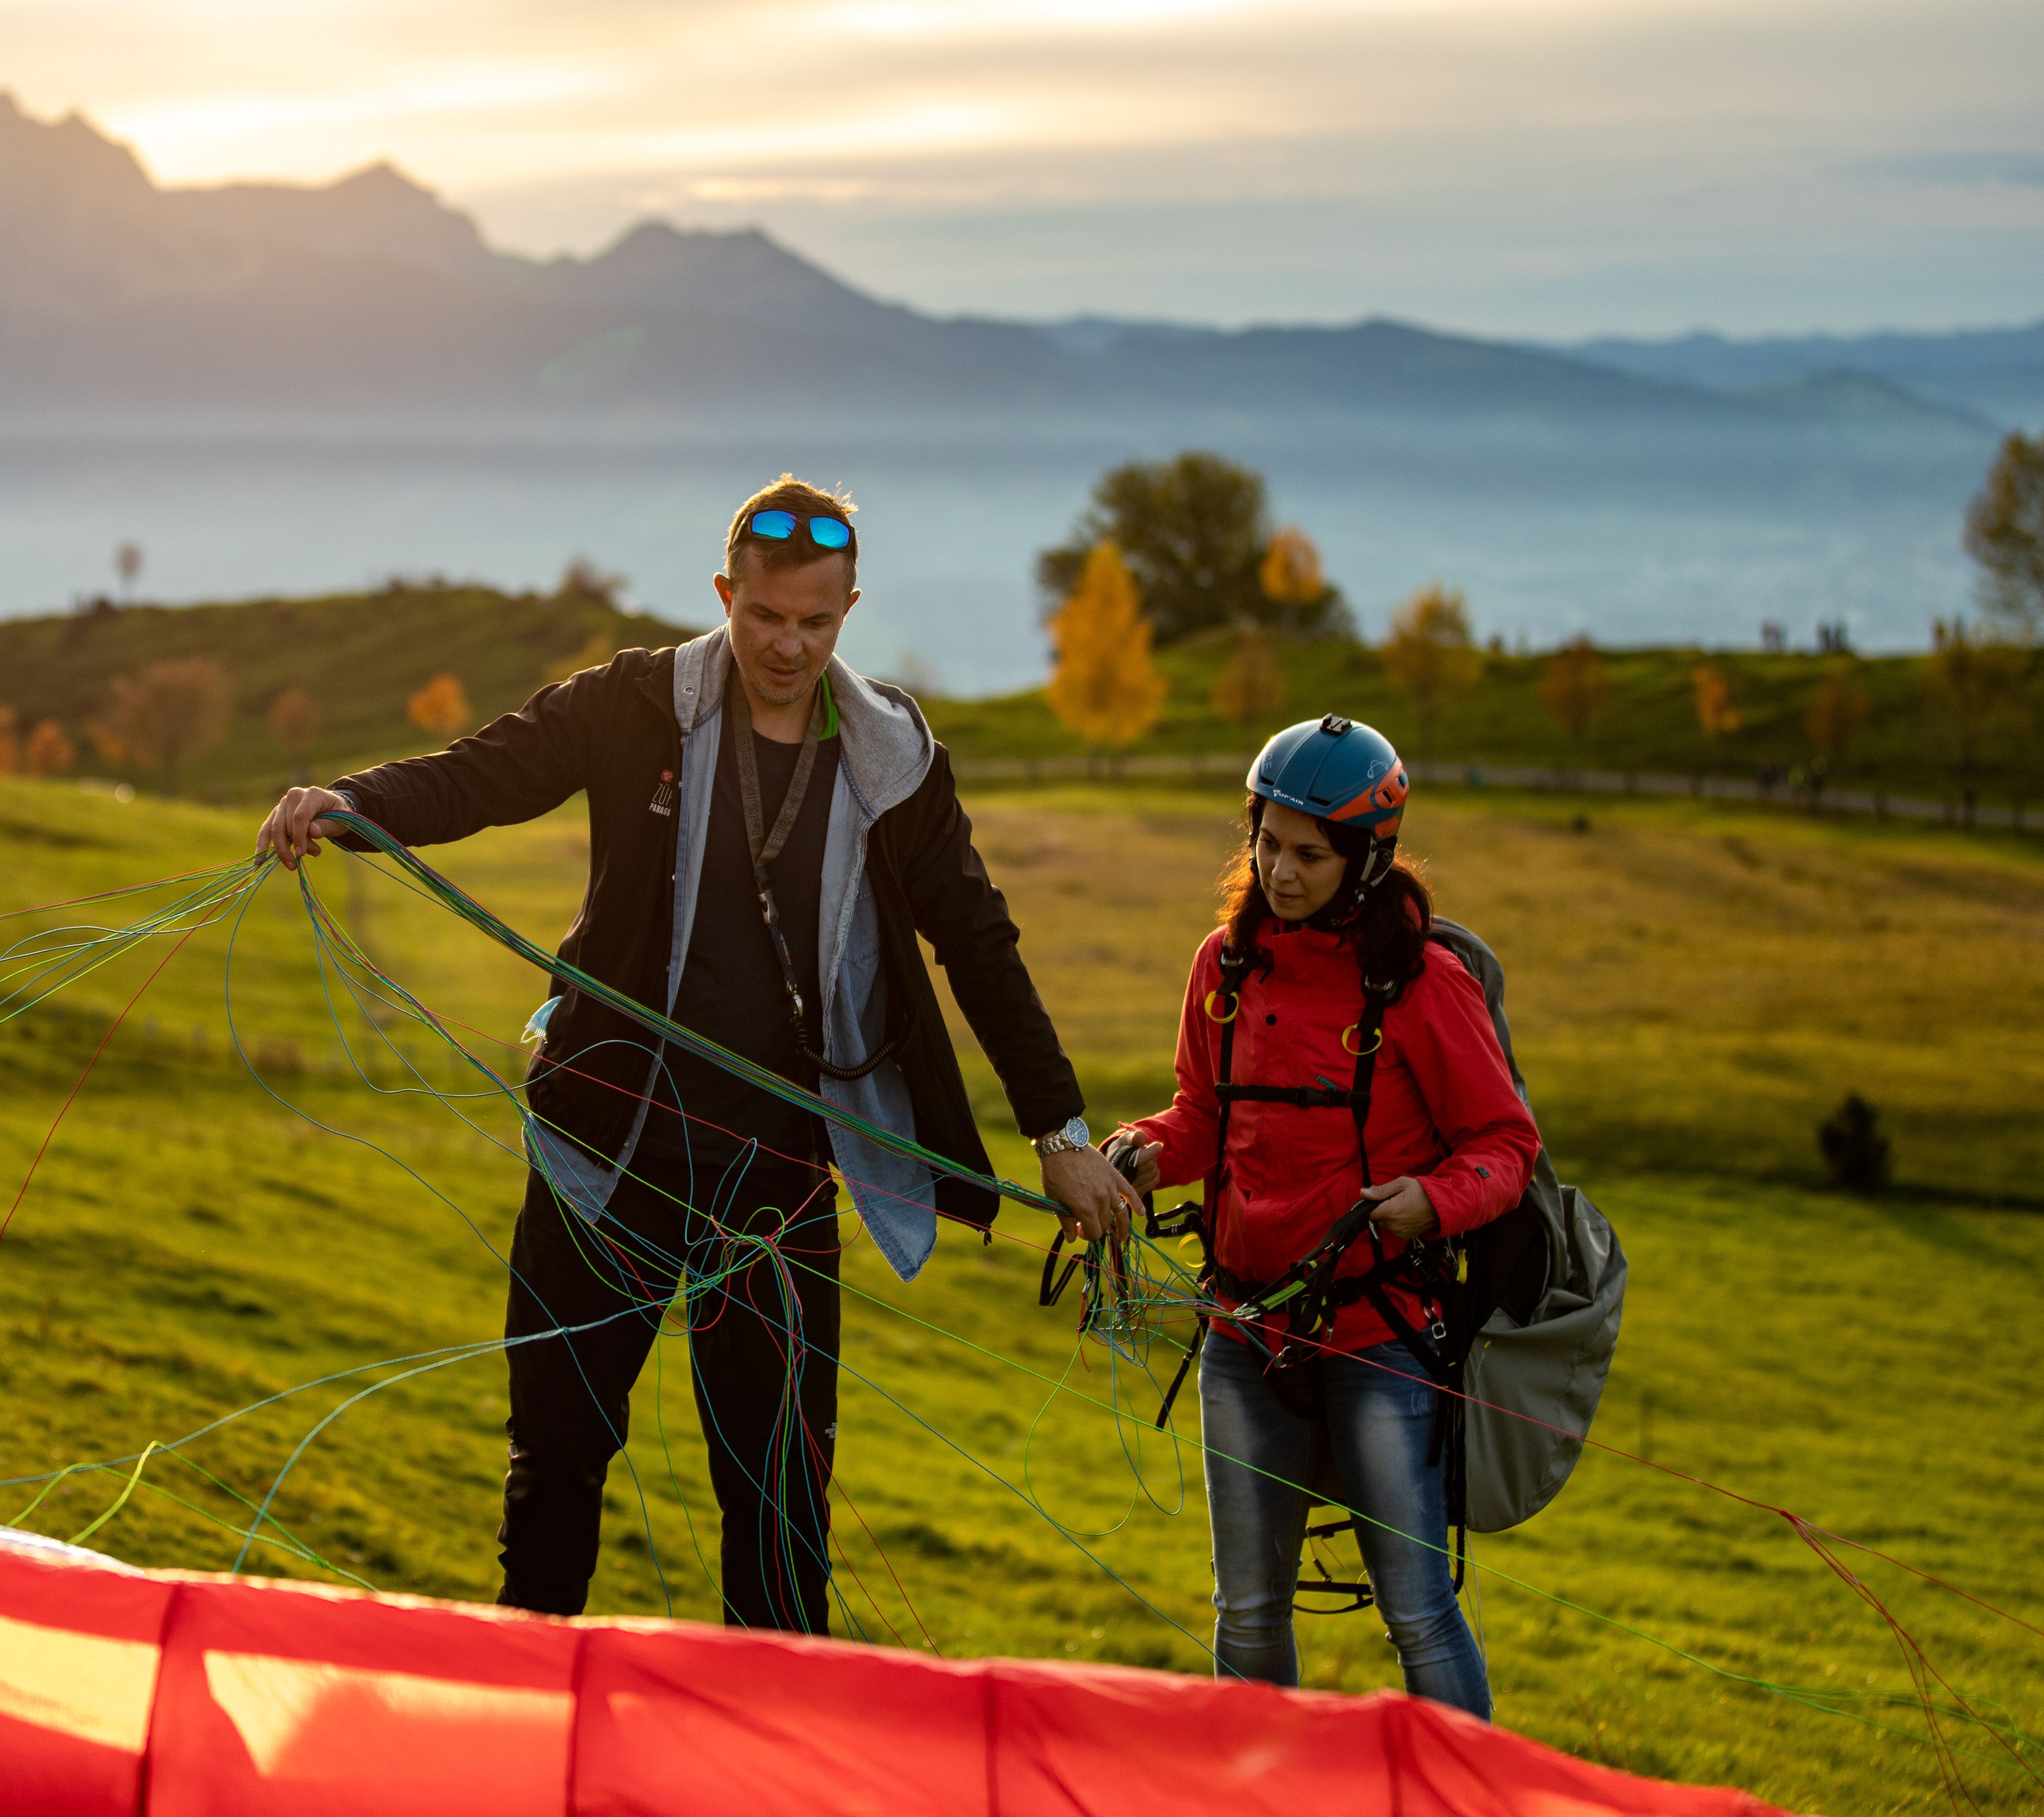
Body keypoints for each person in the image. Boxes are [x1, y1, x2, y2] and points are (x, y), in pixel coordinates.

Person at [255, 475, 1139, 1632]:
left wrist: (1062, 1136)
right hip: (601, 1152)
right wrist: (353, 802)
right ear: (726, 594)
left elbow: (977, 939)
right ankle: (536, 1719)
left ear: (850, 610)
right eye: (765, 616)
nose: (787, 645)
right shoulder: (634, 703)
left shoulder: (894, 757)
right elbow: (494, 769)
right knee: (556, 1463)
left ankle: (764, 1764)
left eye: (816, 624)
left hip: (774, 1183)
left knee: (778, 1511)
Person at [1108, 715, 1537, 1718]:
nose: (1279, 871)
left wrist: (1433, 1200)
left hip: (1378, 1337)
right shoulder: (1222, 965)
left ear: (1368, 859)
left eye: (1309, 854)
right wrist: (1142, 1156)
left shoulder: (1426, 983)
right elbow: (1204, 1117)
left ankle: (1468, 1799)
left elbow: (1504, 1147)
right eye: (1266, 844)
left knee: (1417, 1609)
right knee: (1248, 1609)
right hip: (1243, 1332)